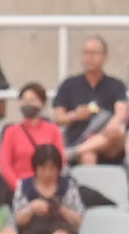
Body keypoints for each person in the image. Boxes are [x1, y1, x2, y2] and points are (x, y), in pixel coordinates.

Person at [53, 36, 129, 166]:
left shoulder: (116, 85)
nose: (90, 57)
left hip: (109, 143)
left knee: (118, 131)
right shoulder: (69, 84)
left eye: (95, 53)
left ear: (105, 57)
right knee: (88, 155)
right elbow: (58, 118)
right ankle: (78, 151)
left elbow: (121, 113)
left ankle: (71, 153)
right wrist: (75, 115)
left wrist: (113, 124)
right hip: (78, 139)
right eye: (86, 53)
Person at [12, 143, 84, 234]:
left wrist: (60, 209)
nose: (48, 173)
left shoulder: (68, 185)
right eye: (43, 168)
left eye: (52, 168)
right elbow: (18, 221)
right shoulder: (23, 185)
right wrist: (32, 208)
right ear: (35, 167)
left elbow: (78, 221)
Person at [0, 82, 65, 189]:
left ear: (42, 103)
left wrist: (47, 187)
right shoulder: (11, 131)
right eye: (24, 100)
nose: (28, 104)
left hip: (48, 186)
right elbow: (5, 165)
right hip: (20, 186)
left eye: (32, 100)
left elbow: (60, 160)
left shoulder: (53, 130)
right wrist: (19, 187)